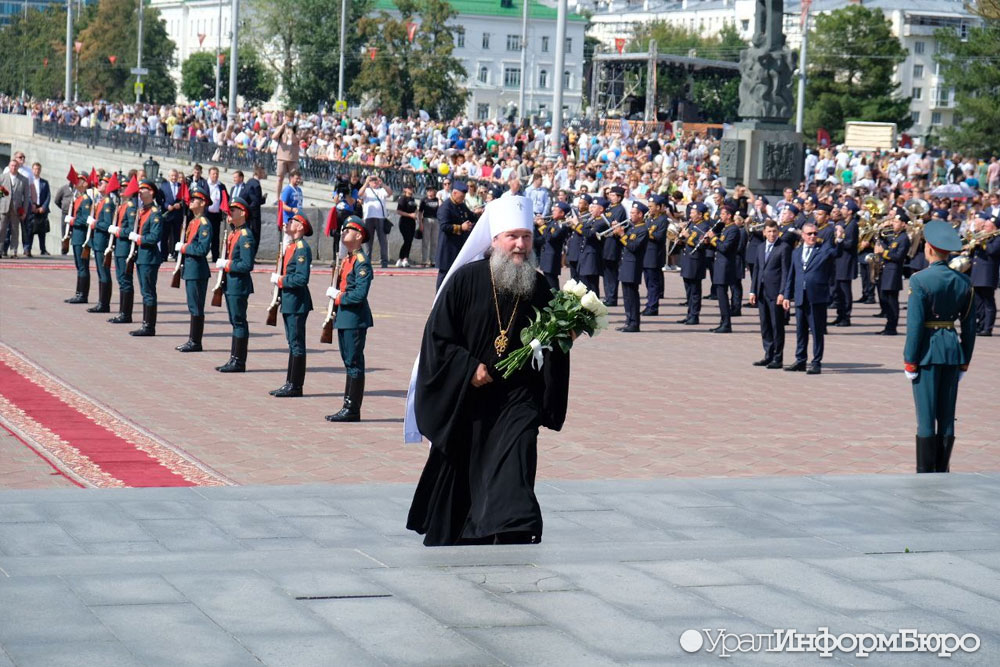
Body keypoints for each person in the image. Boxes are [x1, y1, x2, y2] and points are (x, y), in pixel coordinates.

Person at [405, 195, 571, 546]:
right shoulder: (466, 280)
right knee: (467, 465)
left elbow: (552, 346)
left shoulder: (540, 286)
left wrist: (564, 335)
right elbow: (438, 339)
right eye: (513, 236)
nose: (521, 245)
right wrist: (469, 369)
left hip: (518, 397)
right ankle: (473, 529)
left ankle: (512, 527)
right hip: (471, 396)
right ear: (495, 239)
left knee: (518, 455)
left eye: (526, 237)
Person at [904, 220, 976, 473]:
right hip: (952, 351)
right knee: (946, 416)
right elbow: (969, 327)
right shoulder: (964, 282)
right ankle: (942, 469)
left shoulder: (920, 280)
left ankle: (925, 472)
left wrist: (909, 359)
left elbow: (914, 326)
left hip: (926, 352)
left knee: (926, 417)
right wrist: (965, 359)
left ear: (930, 249)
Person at [325, 216, 373, 422]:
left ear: (359, 235)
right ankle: (347, 405)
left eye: (348, 230)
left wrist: (338, 296)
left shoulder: (361, 262)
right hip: (344, 317)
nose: (343, 233)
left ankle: (352, 408)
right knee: (348, 361)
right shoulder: (348, 259)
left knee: (354, 362)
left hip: (354, 318)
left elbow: (359, 294)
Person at [782, 222, 842, 374]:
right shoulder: (796, 252)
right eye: (809, 234)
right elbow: (791, 275)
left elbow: (837, 253)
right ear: (803, 235)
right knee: (800, 330)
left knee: (816, 331)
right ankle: (800, 360)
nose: (813, 236)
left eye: (815, 233)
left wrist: (839, 239)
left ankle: (816, 362)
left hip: (817, 297)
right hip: (800, 296)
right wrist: (787, 295)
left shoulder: (823, 249)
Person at [269, 213, 313, 397]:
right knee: (292, 342)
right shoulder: (292, 246)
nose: (289, 223)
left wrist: (281, 280)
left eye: (293, 221)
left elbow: (302, 278)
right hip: (289, 301)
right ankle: (289, 382)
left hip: (297, 302)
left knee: (296, 344)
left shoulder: (301, 248)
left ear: (301, 227)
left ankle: (295, 385)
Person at [215, 197, 255, 372]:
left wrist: (228, 265)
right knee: (234, 321)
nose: (230, 213)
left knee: (239, 321)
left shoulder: (245, 235)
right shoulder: (233, 233)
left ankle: (239, 361)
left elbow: (247, 265)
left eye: (234, 210)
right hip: (230, 284)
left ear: (243, 213)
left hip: (238, 285)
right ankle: (234, 358)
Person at [174, 186, 213, 352]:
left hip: (197, 270)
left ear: (202, 203)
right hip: (190, 269)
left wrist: (184, 248)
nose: (191, 202)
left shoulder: (204, 224)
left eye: (194, 199)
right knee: (192, 305)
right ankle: (192, 339)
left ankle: (195, 342)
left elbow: (202, 249)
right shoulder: (193, 221)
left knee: (196, 306)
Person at [749, 220, 791, 368]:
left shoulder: (784, 247)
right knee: (765, 324)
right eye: (769, 231)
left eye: (774, 231)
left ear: (778, 232)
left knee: (776, 325)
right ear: (764, 232)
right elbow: (757, 270)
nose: (772, 234)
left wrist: (783, 293)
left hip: (775, 293)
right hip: (761, 291)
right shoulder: (761, 247)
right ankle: (768, 354)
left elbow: (786, 272)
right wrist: (753, 290)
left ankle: (778, 358)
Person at [127, 180, 163, 337]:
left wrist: (139, 238)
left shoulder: (155, 213)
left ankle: (149, 326)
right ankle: (145, 324)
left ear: (152, 192)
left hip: (149, 257)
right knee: (144, 291)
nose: (140, 192)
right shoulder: (142, 210)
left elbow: (154, 237)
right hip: (141, 257)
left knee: (148, 292)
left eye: (144, 189)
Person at [874, 208, 911, 336]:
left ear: (903, 224)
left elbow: (898, 256)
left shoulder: (904, 238)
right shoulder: (895, 236)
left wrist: (882, 252)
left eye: (896, 222)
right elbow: (885, 243)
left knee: (891, 300)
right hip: (887, 270)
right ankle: (888, 325)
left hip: (894, 271)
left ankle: (892, 327)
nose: (892, 224)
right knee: (884, 298)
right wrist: (879, 234)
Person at [705, 200, 741, 334]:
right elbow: (718, 246)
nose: (721, 216)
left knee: (722, 296)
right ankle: (722, 322)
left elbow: (724, 248)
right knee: (721, 297)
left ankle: (726, 324)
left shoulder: (733, 230)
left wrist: (714, 238)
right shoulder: (726, 228)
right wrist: (708, 241)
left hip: (725, 267)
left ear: (729, 215)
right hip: (720, 266)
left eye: (723, 214)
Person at [107, 176, 138, 324]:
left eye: (125, 187)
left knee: (125, 280)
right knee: (121, 279)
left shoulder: (131, 206)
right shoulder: (122, 205)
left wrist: (119, 231)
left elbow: (132, 229)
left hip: (125, 248)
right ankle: (122, 312)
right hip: (119, 246)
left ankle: (126, 314)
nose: (122, 189)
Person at [436, 181, 477, 288]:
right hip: (448, 248)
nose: (463, 199)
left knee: (457, 277)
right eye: (461, 196)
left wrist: (478, 213)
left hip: (459, 247)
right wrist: (461, 227)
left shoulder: (461, 205)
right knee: (444, 277)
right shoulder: (445, 207)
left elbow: (471, 216)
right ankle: (438, 301)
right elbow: (444, 226)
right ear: (454, 193)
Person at [616, 202, 649, 332]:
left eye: (633, 213)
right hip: (626, 264)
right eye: (630, 213)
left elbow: (633, 247)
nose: (631, 216)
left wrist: (622, 235)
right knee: (626, 295)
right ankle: (628, 320)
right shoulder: (633, 228)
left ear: (640, 215)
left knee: (632, 295)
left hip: (633, 265)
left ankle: (634, 323)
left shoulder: (643, 230)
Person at [676, 202, 710, 325]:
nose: (690, 215)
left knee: (695, 291)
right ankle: (689, 314)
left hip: (696, 262)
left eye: (693, 213)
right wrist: (680, 239)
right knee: (689, 290)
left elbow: (701, 245)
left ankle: (694, 316)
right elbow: (687, 241)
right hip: (687, 260)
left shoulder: (704, 227)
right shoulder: (692, 224)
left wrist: (688, 236)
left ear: (700, 215)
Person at [86, 174, 116, 314]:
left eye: (103, 183)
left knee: (104, 272)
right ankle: (101, 302)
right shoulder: (102, 201)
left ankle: (104, 304)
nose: (99, 184)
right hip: (97, 241)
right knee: (100, 272)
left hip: (102, 241)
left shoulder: (108, 202)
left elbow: (108, 224)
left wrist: (96, 223)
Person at [969, 212, 1000, 336]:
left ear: (994, 227)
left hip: (987, 275)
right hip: (977, 274)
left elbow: (992, 251)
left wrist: (981, 242)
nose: (984, 228)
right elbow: (974, 255)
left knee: (988, 302)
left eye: (987, 226)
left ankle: (987, 328)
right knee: (978, 302)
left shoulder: (997, 239)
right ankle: (980, 325)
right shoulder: (985, 238)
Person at [63, 171, 92, 303]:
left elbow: (85, 219)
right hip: (76, 236)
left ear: (86, 184)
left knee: (82, 266)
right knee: (78, 265)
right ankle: (78, 293)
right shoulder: (78, 198)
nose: (77, 182)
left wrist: (73, 220)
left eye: (81, 180)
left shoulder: (86, 200)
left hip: (81, 236)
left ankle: (82, 295)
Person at [831, 199, 860, 326]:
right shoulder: (843, 223)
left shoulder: (853, 225)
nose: (841, 210)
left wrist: (839, 239)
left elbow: (851, 244)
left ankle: (846, 317)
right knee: (838, 290)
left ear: (850, 212)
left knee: (845, 290)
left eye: (844, 209)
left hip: (846, 262)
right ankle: (840, 315)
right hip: (839, 261)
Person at [641, 194, 669, 316]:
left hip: (654, 255)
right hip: (646, 254)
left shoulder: (662, 220)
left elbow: (659, 237)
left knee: (653, 283)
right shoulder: (649, 219)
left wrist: (646, 233)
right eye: (649, 206)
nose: (649, 209)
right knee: (648, 281)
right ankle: (649, 304)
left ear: (658, 207)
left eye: (651, 206)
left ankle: (653, 306)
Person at [359, 173, 392, 268]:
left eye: (375, 180)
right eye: (372, 180)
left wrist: (382, 184)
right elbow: (360, 194)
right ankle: (367, 260)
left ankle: (384, 261)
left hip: (380, 217)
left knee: (383, 241)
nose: (374, 182)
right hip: (368, 217)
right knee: (368, 241)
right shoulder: (367, 190)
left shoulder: (382, 190)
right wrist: (366, 183)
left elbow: (390, 193)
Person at [537, 202, 571, 290]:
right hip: (547, 255)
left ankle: (556, 300)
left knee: (552, 282)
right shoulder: (554, 222)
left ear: (562, 213)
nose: (553, 212)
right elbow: (545, 236)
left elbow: (551, 238)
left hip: (552, 256)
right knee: (548, 279)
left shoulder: (562, 224)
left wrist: (543, 226)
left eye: (556, 210)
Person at [0, 159, 29, 259]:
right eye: (12, 166)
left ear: (18, 167)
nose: (14, 167)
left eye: (15, 166)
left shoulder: (24, 180)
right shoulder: (2, 177)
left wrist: (24, 211)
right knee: (1, 229)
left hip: (17, 209)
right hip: (3, 207)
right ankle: (0, 250)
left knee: (15, 230)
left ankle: (13, 251)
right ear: (9, 166)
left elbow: (26, 197)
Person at [271, 110, 300, 201]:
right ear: (285, 118)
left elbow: (296, 141)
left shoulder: (296, 128)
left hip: (293, 158)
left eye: (291, 120)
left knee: (293, 180)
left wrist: (292, 133)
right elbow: (274, 137)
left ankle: (291, 198)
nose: (289, 122)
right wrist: (283, 126)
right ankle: (277, 198)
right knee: (280, 178)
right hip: (281, 157)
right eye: (288, 120)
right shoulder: (281, 127)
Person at [159, 170, 185, 262]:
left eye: (175, 176)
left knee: (177, 236)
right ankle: (163, 255)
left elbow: (185, 199)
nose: (174, 178)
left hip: (177, 215)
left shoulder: (181, 186)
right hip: (167, 214)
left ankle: (176, 254)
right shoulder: (163, 186)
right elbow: (159, 199)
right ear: (169, 176)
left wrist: (180, 205)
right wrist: (166, 206)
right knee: (164, 236)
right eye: (172, 176)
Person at [205, 166, 229, 262]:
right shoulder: (205, 184)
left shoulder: (221, 186)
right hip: (206, 214)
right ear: (209, 174)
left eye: (216, 174)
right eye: (213, 174)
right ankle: (203, 254)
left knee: (215, 236)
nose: (215, 176)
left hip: (216, 215)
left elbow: (226, 198)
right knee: (206, 234)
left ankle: (215, 256)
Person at [27, 162, 51, 256]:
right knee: (30, 230)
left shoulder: (44, 182)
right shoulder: (29, 182)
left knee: (42, 230)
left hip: (42, 209)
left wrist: (44, 207)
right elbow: (27, 195)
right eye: (35, 169)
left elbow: (48, 196)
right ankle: (28, 249)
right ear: (32, 170)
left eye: (38, 169)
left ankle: (43, 249)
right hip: (32, 208)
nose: (37, 171)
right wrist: (32, 205)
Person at [395, 184, 418, 267]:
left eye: (411, 187)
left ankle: (405, 259)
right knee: (407, 240)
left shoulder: (412, 199)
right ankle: (401, 258)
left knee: (410, 241)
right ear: (405, 189)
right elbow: (398, 211)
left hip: (412, 222)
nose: (411, 189)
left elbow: (414, 209)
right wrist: (409, 215)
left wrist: (416, 214)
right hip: (404, 222)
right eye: (409, 188)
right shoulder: (403, 199)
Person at [418, 185, 440, 267]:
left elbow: (441, 207)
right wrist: (420, 222)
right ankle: (424, 260)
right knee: (425, 241)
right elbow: (420, 212)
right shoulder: (424, 200)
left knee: (434, 241)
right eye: (428, 190)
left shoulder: (437, 200)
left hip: (436, 220)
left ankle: (433, 260)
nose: (430, 192)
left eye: (431, 190)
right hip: (427, 220)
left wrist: (439, 198)